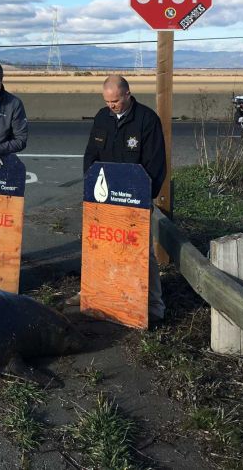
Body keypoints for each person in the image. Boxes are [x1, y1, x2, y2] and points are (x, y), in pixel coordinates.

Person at [79, 75, 167, 322]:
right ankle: (105, 296)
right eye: (107, 101)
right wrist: (91, 191)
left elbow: (156, 165)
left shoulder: (147, 120)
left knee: (142, 254)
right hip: (103, 201)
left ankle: (154, 307)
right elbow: (90, 156)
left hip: (134, 203)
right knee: (103, 249)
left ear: (128, 94)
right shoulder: (101, 117)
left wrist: (141, 199)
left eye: (115, 101)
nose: (111, 106)